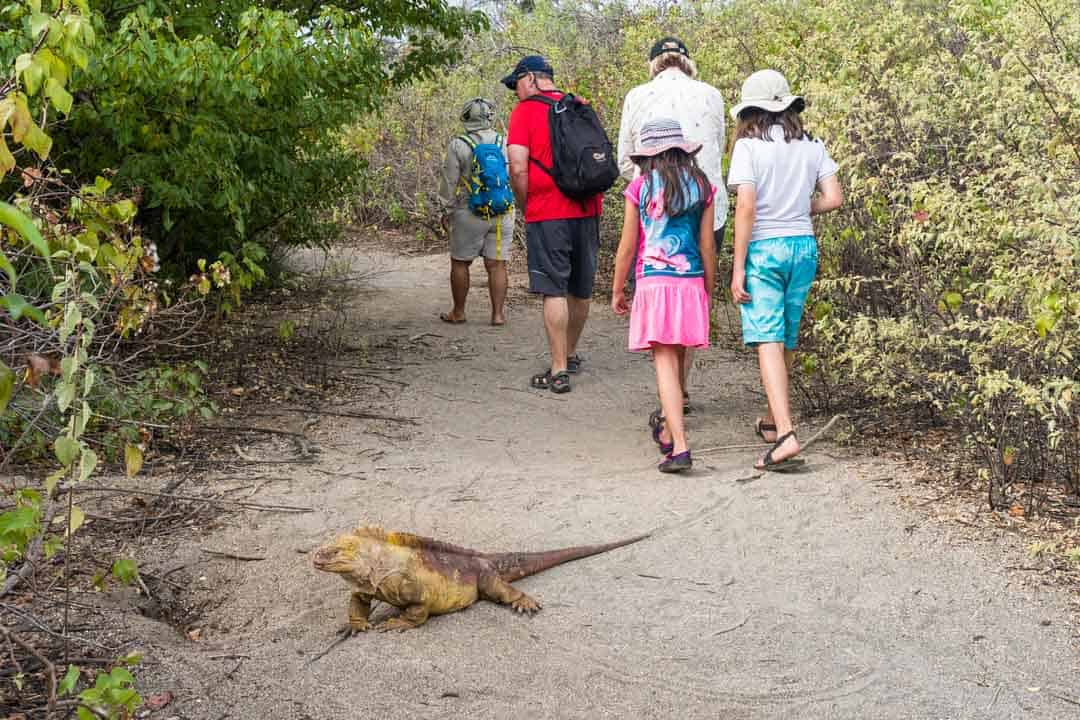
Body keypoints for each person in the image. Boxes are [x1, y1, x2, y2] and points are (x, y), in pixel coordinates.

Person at [726, 69, 843, 471]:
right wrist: (800, 208)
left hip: (765, 247)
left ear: (751, 110)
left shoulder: (748, 147)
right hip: (802, 246)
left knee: (768, 338)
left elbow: (746, 206)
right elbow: (834, 197)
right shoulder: (811, 144)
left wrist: (737, 266)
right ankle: (775, 420)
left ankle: (788, 434)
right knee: (787, 336)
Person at [617, 37, 729, 413]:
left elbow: (623, 161)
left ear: (654, 65)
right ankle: (680, 388)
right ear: (687, 62)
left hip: (653, 207)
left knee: (661, 304)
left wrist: (649, 191)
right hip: (706, 200)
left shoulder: (637, 95)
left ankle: (670, 400)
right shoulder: (712, 94)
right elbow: (719, 150)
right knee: (691, 296)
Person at [612, 119, 716, 473]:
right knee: (678, 356)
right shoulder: (701, 186)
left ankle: (681, 447)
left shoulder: (640, 188)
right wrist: (709, 289)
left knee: (664, 362)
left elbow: (627, 247)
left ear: (648, 157)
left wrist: (617, 288)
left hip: (654, 282)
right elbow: (707, 246)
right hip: (690, 281)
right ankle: (669, 432)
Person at [503, 55, 604, 394]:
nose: (515, 92)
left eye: (515, 84)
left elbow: (517, 167)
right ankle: (571, 353)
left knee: (553, 289)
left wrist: (525, 202)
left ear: (531, 79)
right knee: (580, 287)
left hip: (548, 211)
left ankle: (558, 368)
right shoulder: (579, 105)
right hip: (588, 207)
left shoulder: (525, 112)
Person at [437, 97, 516, 326]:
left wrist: (445, 209)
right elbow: (512, 174)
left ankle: (459, 312)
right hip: (502, 212)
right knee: (497, 264)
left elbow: (449, 181)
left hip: (469, 211)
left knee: (460, 262)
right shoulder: (504, 141)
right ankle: (498, 315)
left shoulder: (458, 144)